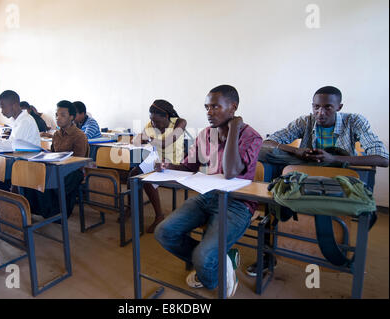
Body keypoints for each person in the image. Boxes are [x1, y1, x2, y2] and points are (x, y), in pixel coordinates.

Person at [246, 85, 389, 278]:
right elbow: (268, 143)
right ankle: (270, 252)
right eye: (315, 107)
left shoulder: (354, 121)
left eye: (327, 107)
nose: (320, 113)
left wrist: (334, 159)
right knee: (264, 156)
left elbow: (383, 158)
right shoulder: (305, 121)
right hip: (303, 177)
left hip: (336, 180)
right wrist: (297, 151)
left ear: (339, 107)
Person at [153, 85, 263, 297]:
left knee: (204, 257)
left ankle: (208, 265)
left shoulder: (251, 136)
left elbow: (231, 172)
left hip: (238, 203)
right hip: (209, 195)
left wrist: (234, 129)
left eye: (215, 107)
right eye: (207, 107)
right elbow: (189, 166)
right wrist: (168, 166)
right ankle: (220, 261)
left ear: (233, 108)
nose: (209, 112)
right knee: (164, 232)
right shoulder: (205, 134)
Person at [128, 100, 187, 233]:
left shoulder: (180, 122)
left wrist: (147, 139)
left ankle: (159, 216)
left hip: (175, 163)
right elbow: (136, 140)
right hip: (157, 160)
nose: (153, 124)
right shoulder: (151, 124)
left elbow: (166, 143)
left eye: (157, 121)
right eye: (151, 120)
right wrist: (138, 139)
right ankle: (131, 207)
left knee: (148, 180)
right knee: (133, 173)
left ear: (166, 116)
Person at [23, 101, 88, 220]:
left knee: (47, 179)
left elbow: (78, 162)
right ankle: (39, 210)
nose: (58, 118)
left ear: (72, 117)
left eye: (63, 115)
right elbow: (53, 153)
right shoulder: (57, 134)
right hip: (56, 167)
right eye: (57, 115)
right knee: (32, 175)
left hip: (73, 171)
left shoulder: (79, 135)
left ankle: (55, 212)